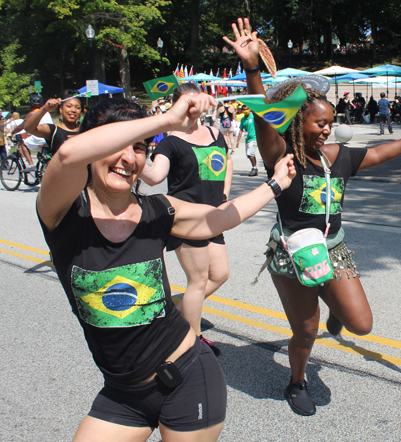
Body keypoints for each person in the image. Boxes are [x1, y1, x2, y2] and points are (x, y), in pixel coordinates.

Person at [36, 94, 296, 440]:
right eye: (119, 142)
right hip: (122, 394)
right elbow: (68, 155)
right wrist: (167, 122)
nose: (128, 158)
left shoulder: (158, 210)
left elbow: (218, 219)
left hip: (187, 375)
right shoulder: (65, 213)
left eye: (140, 148)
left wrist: (276, 184)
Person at [223, 17, 401, 417]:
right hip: (294, 253)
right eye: (321, 123)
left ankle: (336, 312)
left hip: (333, 249)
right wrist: (252, 67)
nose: (328, 129)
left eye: (331, 122)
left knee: (361, 324)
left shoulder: (335, 157)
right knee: (305, 330)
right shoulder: (281, 157)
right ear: (298, 123)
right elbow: (263, 116)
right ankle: (297, 381)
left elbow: (376, 155)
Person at [140, 83, 233, 355]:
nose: (194, 108)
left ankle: (177, 314)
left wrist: (225, 194)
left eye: (197, 101)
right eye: (187, 103)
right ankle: (193, 340)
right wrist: (135, 156)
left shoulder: (215, 132)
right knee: (198, 280)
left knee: (221, 274)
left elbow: (225, 163)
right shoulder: (171, 141)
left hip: (214, 216)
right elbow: (156, 176)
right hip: (187, 219)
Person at [24, 90, 83, 155]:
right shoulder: (53, 130)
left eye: (77, 107)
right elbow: (29, 128)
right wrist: (44, 109)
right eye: (69, 106)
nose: (73, 110)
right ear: (61, 109)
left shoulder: (86, 130)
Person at [11, 94, 53, 170]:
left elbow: (22, 126)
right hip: (50, 137)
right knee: (41, 154)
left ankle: (31, 165)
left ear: (31, 104)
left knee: (23, 143)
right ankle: (43, 165)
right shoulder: (47, 113)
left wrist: (12, 132)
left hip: (40, 137)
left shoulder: (32, 113)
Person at [237, 105, 259, 176]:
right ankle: (255, 167)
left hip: (254, 139)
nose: (245, 111)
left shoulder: (253, 117)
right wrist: (238, 141)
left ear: (249, 109)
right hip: (247, 139)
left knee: (250, 154)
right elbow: (241, 130)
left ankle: (254, 168)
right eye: (244, 109)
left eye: (246, 109)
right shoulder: (243, 119)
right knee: (250, 154)